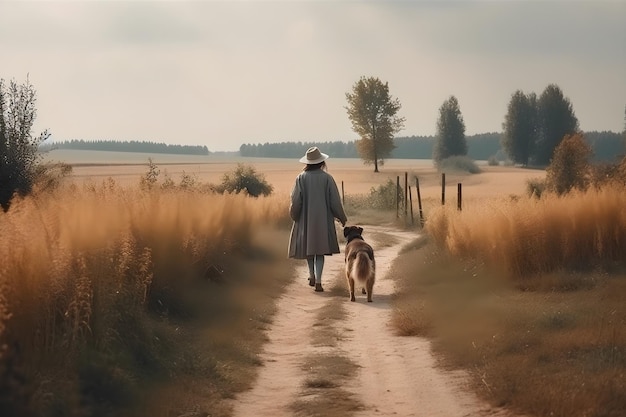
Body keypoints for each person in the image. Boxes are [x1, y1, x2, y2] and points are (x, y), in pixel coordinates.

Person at [288, 147, 348, 292]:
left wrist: (295, 216)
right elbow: (335, 201)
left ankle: (311, 275)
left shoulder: (300, 178)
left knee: (309, 249)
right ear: (321, 162)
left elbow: (295, 201)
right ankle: (319, 281)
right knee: (320, 250)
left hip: (305, 219)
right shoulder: (327, 178)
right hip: (323, 219)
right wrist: (341, 217)